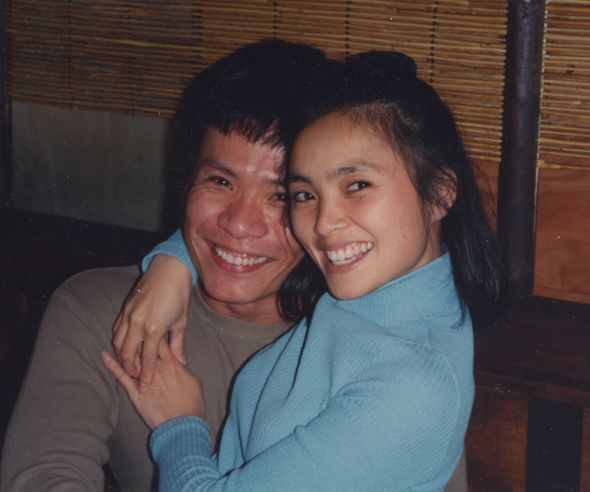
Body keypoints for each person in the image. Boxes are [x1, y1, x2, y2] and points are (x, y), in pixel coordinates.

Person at [105, 50, 503, 491]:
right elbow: (234, 228)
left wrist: (179, 425)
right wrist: (172, 263)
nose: (324, 223)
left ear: (441, 193)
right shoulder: (376, 287)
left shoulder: (412, 386)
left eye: (357, 185)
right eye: (304, 195)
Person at [0, 39, 336, 491]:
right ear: (186, 181)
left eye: (279, 195)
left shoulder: (354, 340)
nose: (238, 223)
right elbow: (46, 475)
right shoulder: (102, 310)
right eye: (220, 181)